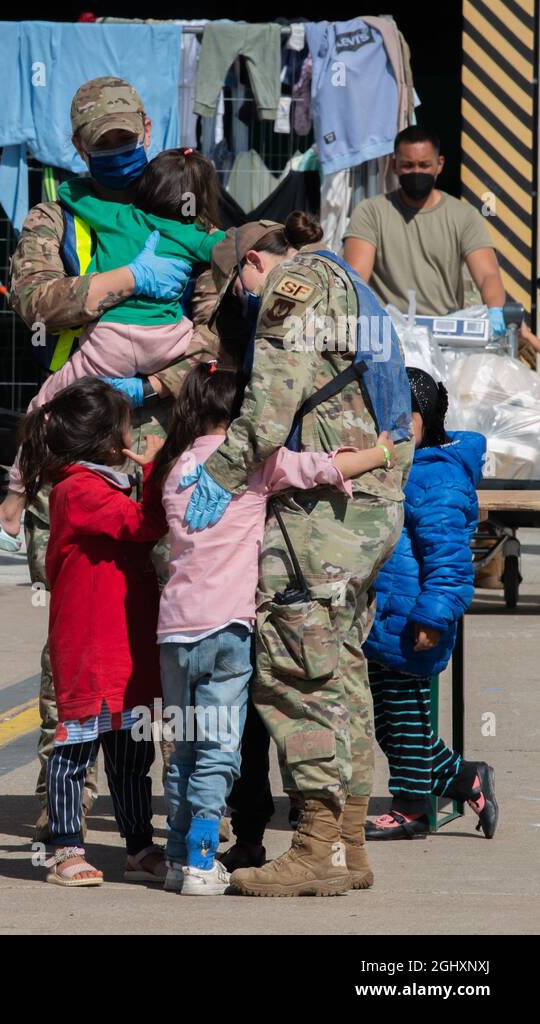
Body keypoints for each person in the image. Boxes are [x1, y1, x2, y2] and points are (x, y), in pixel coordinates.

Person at [7, 75, 224, 843]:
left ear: (147, 128)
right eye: (105, 147)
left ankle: (178, 806)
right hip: (84, 445)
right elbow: (33, 300)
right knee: (74, 627)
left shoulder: (178, 200)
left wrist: (156, 377)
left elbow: (219, 333)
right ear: (79, 148)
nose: (120, 155)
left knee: (182, 626)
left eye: (128, 141)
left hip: (169, 445)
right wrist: (124, 280)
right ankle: (60, 810)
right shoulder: (57, 213)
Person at [179, 214, 415, 897]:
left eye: (238, 289)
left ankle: (314, 850)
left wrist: (216, 478)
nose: (246, 305)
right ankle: (347, 846)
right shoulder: (346, 280)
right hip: (367, 504)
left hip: (324, 520)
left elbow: (270, 406)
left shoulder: (294, 284)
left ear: (254, 261)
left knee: (294, 670)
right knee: (340, 670)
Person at [152, 362, 393, 895]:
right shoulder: (254, 465)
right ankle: (199, 862)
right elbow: (322, 468)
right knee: (218, 750)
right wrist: (383, 452)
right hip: (227, 631)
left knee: (182, 747)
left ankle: (172, 858)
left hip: (173, 631)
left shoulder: (175, 469)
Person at [0, 147, 225, 553]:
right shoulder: (198, 235)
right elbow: (235, 251)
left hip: (110, 344)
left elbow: (75, 197)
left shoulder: (118, 216)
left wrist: (80, 186)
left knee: (43, 410)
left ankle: (9, 512)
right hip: (168, 339)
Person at [17, 378, 168, 885]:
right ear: (108, 440)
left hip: (125, 643)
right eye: (128, 428)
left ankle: (138, 845)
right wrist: (158, 464)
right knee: (75, 750)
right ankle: (64, 848)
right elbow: (143, 525)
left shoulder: (105, 482)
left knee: (131, 755)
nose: (135, 435)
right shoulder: (77, 489)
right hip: (89, 643)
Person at [362, 368, 499, 841]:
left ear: (420, 419)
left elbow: (451, 562)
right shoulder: (404, 465)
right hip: (386, 620)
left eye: (396, 419)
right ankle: (467, 778)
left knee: (406, 722)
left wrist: (433, 616)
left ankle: (413, 807)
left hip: (414, 621)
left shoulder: (437, 478)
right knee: (392, 723)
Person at [343, 125, 537, 351]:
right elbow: (356, 278)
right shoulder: (371, 212)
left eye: (424, 165)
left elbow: (487, 274)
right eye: (408, 165)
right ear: (394, 165)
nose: (417, 172)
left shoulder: (463, 216)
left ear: (439, 165)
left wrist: (495, 312)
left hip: (447, 338)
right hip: (388, 337)